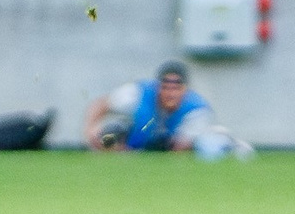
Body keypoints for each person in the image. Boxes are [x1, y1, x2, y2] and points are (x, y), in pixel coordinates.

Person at [85, 59, 241, 155]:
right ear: (157, 87)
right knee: (109, 133)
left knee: (208, 147)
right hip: (137, 139)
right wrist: (91, 130)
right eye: (166, 87)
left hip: (173, 145)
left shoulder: (197, 110)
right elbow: (102, 104)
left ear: (185, 90)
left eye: (176, 88)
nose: (170, 94)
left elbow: (181, 149)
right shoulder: (139, 93)